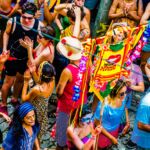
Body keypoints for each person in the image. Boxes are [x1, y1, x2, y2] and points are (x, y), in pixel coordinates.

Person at [0, 2, 43, 115]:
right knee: (8, 82)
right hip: (12, 57)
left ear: (35, 16)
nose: (26, 20)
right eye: (24, 17)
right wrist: (4, 48)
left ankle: (14, 99)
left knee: (20, 79)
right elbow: (6, 33)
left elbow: (42, 42)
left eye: (30, 18)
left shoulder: (39, 25)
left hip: (25, 59)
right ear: (21, 14)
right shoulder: (13, 22)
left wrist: (33, 51)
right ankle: (3, 105)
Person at [55, 37, 89, 150]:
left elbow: (59, 91)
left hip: (66, 105)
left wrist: (58, 97)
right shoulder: (86, 63)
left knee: (61, 136)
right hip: (80, 103)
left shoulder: (67, 70)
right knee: (72, 128)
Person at [22, 61, 55, 140]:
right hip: (42, 113)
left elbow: (24, 99)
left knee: (32, 137)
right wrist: (33, 72)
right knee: (38, 136)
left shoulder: (36, 90)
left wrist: (26, 82)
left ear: (41, 74)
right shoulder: (52, 80)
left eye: (39, 68)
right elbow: (40, 82)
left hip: (34, 113)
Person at [93, 79, 130, 149]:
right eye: (122, 93)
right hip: (103, 133)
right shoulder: (104, 104)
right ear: (114, 92)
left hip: (114, 130)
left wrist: (127, 122)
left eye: (126, 92)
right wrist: (111, 138)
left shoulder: (123, 98)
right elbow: (96, 123)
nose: (125, 95)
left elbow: (125, 107)